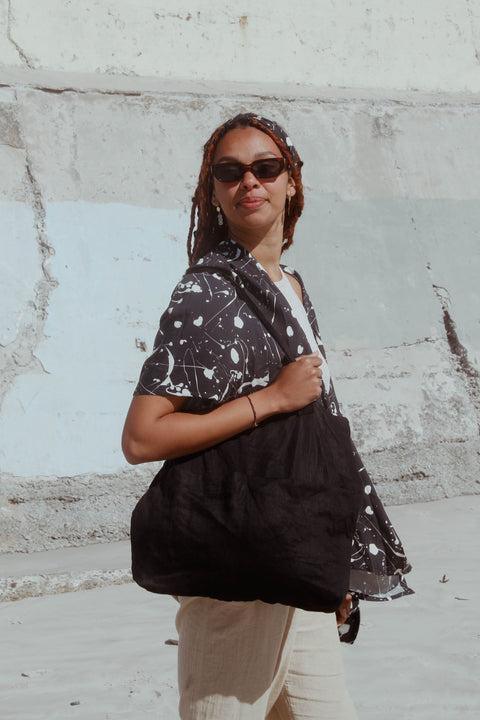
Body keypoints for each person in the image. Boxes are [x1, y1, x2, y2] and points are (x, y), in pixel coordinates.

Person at [122, 113, 412, 720]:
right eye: (229, 172)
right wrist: (270, 399)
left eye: (265, 167)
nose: (248, 181)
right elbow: (143, 436)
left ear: (292, 182)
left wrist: (335, 565)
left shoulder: (292, 288)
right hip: (235, 560)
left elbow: (321, 435)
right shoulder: (207, 292)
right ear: (214, 193)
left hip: (293, 554)